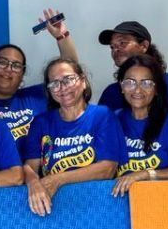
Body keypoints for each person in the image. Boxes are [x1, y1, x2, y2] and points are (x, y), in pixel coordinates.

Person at [23, 58, 123, 216]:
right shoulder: (41, 122)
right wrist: (33, 183)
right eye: (54, 83)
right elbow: (30, 167)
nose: (62, 88)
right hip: (52, 207)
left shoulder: (102, 115)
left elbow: (107, 169)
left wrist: (57, 179)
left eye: (68, 80)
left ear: (83, 81)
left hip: (96, 205)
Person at [0, 9, 79, 153]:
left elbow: (69, 71)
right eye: (2, 62)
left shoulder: (37, 95)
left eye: (16, 66)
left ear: (22, 75)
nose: (8, 69)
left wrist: (61, 36)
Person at [111, 54, 168, 197]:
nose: (137, 90)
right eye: (130, 82)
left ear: (157, 88)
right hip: (119, 201)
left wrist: (144, 175)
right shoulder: (112, 120)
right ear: (121, 86)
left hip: (163, 200)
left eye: (146, 83)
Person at [95, 20, 168, 112]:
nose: (115, 50)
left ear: (144, 46)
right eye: (112, 46)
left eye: (122, 43)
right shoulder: (111, 93)